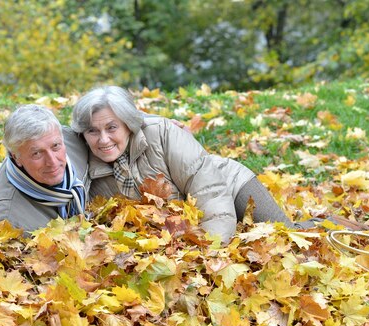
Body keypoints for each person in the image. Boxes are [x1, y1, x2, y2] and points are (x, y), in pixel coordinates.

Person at [70, 85, 296, 243]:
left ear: (128, 124)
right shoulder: (84, 165)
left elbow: (210, 193)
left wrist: (211, 252)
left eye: (111, 128)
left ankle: (329, 225)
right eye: (92, 130)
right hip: (186, 224)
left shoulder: (163, 133)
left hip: (228, 187)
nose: (103, 139)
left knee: (287, 237)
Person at [0, 104, 88, 231]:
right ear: (16, 157)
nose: (52, 162)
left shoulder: (73, 140)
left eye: (56, 146)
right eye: (37, 153)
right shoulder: (9, 220)